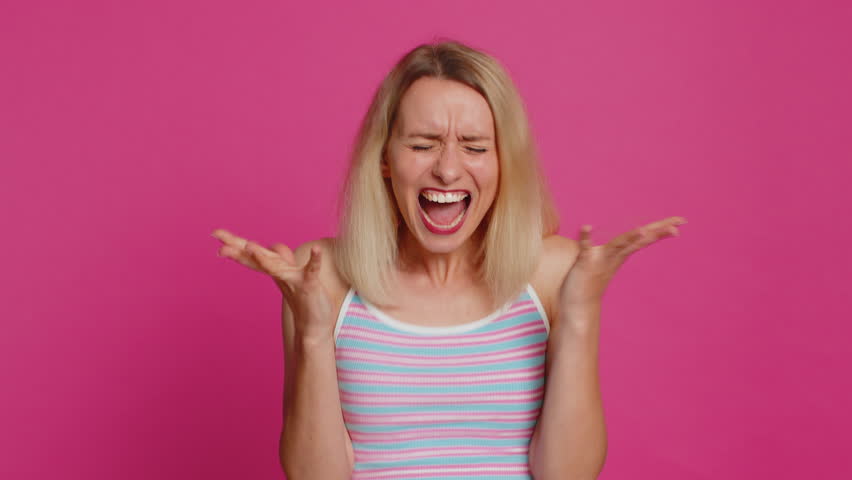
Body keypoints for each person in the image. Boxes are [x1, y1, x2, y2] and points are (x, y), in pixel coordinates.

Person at [212, 40, 686, 480]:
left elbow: (568, 475)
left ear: (503, 163)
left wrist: (580, 314)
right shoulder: (324, 276)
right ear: (384, 158)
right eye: (422, 145)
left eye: (475, 147)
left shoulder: (553, 274)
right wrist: (314, 333)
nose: (447, 169)